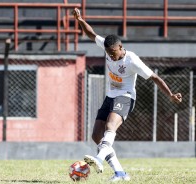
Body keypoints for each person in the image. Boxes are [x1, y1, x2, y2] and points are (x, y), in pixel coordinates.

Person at [72, 8, 182, 182]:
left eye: (114, 53)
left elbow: (154, 77)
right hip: (110, 96)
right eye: (109, 54)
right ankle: (120, 174)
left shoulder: (132, 60)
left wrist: (169, 95)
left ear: (121, 47)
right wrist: (80, 20)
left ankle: (99, 160)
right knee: (96, 135)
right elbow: (91, 34)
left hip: (126, 97)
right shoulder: (107, 46)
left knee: (110, 125)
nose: (111, 57)